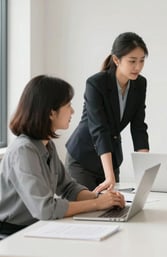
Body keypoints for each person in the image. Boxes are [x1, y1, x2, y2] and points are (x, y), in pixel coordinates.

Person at [0, 75, 125, 237]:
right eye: (68, 105)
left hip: (35, 227)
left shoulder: (47, 145)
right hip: (11, 235)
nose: (72, 111)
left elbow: (68, 188)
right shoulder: (23, 151)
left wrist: (103, 198)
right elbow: (45, 209)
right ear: (51, 113)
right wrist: (97, 204)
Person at [65, 32, 149, 192]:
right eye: (132, 61)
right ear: (116, 60)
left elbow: (138, 127)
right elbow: (99, 129)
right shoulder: (96, 83)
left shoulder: (140, 84)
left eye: (141, 61)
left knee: (111, 211)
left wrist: (146, 172)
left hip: (111, 158)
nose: (138, 67)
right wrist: (109, 176)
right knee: (87, 212)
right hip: (83, 158)